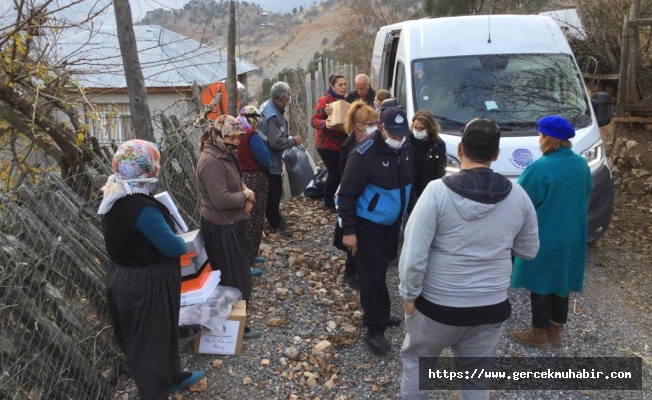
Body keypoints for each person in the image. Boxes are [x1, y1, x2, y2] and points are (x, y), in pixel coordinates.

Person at [398, 117, 540, 400]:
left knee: (418, 366)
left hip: (437, 307)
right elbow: (529, 250)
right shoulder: (519, 197)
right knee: (476, 381)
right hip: (490, 308)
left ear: (460, 149)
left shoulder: (436, 193)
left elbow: (413, 254)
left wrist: (409, 296)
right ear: (496, 154)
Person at [99, 140, 205, 399]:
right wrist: (183, 242)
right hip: (145, 283)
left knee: (159, 332)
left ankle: (172, 378)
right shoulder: (140, 207)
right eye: (154, 165)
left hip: (127, 277)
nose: (157, 169)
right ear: (144, 170)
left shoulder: (114, 195)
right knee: (150, 341)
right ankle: (154, 392)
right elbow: (169, 245)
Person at [510, 115, 592, 349]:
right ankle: (556, 331)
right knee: (561, 280)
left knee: (541, 282)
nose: (539, 138)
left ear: (549, 138)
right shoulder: (580, 164)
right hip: (573, 234)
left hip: (546, 234)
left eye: (541, 134)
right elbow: (587, 193)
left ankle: (539, 332)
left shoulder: (540, 168)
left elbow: (522, 202)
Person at [338, 106, 414, 354]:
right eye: (394, 133)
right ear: (381, 127)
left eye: (403, 133)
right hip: (367, 225)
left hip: (392, 224)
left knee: (381, 271)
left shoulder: (405, 146)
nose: (399, 138)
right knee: (371, 278)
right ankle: (375, 329)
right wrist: (349, 230)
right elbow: (346, 195)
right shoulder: (363, 154)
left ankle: (380, 313)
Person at [196, 115, 262, 339]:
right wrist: (245, 196)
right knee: (233, 278)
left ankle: (237, 322)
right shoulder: (211, 162)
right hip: (221, 226)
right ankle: (235, 328)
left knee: (240, 273)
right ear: (219, 135)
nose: (237, 141)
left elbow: (238, 180)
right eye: (232, 137)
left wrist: (247, 196)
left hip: (234, 222)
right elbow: (221, 200)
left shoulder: (227, 154)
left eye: (239, 136)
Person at [334, 101, 379, 291]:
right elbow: (344, 175)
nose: (375, 128)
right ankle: (351, 273)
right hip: (354, 199)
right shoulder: (350, 145)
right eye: (371, 124)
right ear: (359, 126)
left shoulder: (368, 142)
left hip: (365, 200)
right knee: (353, 240)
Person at [259, 82, 303, 237]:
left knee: (274, 192)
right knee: (274, 192)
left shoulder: (268, 106)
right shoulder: (272, 115)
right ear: (283, 97)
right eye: (289, 94)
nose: (290, 97)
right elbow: (275, 142)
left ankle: (275, 218)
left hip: (268, 159)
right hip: (269, 161)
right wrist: (293, 141)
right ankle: (275, 225)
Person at [236, 105, 271, 276]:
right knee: (254, 218)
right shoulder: (251, 135)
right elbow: (264, 159)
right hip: (254, 179)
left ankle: (250, 256)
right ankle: (247, 261)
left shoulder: (235, 132)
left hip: (241, 178)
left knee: (247, 218)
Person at [311, 74, 348, 213]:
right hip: (326, 145)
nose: (343, 87)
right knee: (335, 172)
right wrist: (325, 123)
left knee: (340, 171)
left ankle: (335, 199)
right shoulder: (324, 101)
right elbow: (314, 121)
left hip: (341, 144)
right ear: (332, 86)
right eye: (340, 85)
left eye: (345, 84)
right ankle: (328, 202)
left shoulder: (344, 100)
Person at [407, 110, 447, 213]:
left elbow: (440, 170)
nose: (417, 130)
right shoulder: (407, 140)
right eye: (415, 127)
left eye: (421, 128)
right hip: (408, 187)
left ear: (429, 128)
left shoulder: (438, 144)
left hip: (426, 189)